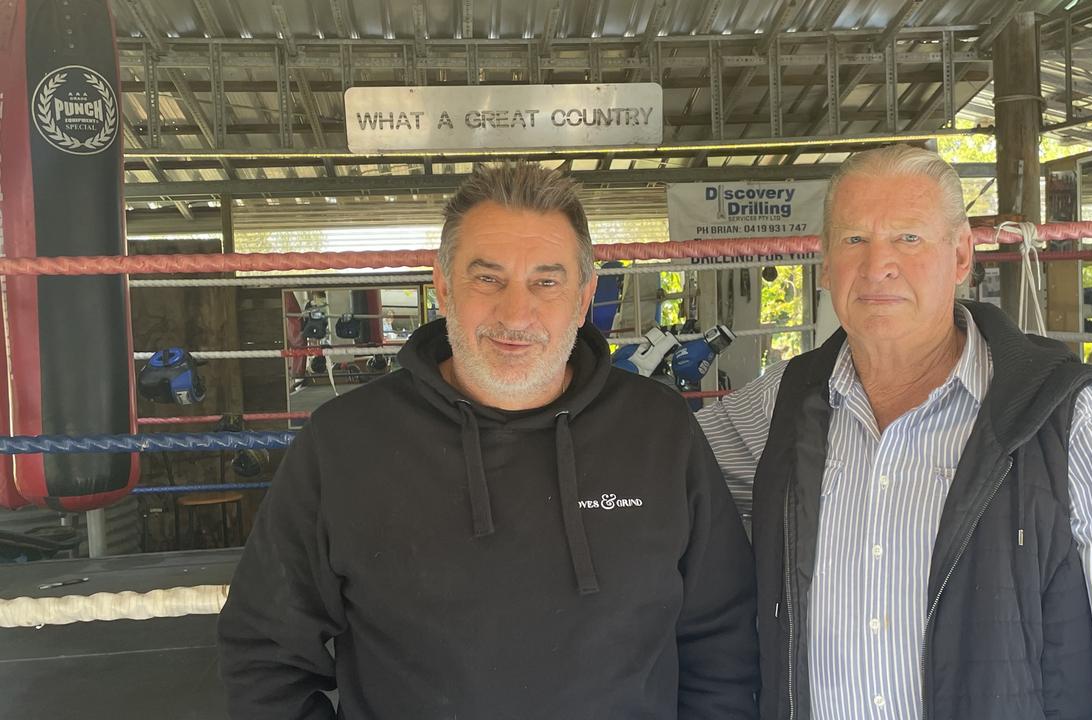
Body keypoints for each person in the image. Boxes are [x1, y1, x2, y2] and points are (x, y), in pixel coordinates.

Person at [218, 162, 759, 720]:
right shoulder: (343, 444)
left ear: (583, 297)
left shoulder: (658, 429)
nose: (515, 314)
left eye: (545, 282)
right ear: (444, 287)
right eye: (488, 278)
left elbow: (722, 639)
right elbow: (266, 653)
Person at [698, 145, 1092, 719]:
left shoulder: (1068, 421)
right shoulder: (785, 403)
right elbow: (663, 468)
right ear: (825, 262)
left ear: (961, 255)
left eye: (909, 238)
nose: (878, 266)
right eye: (854, 240)